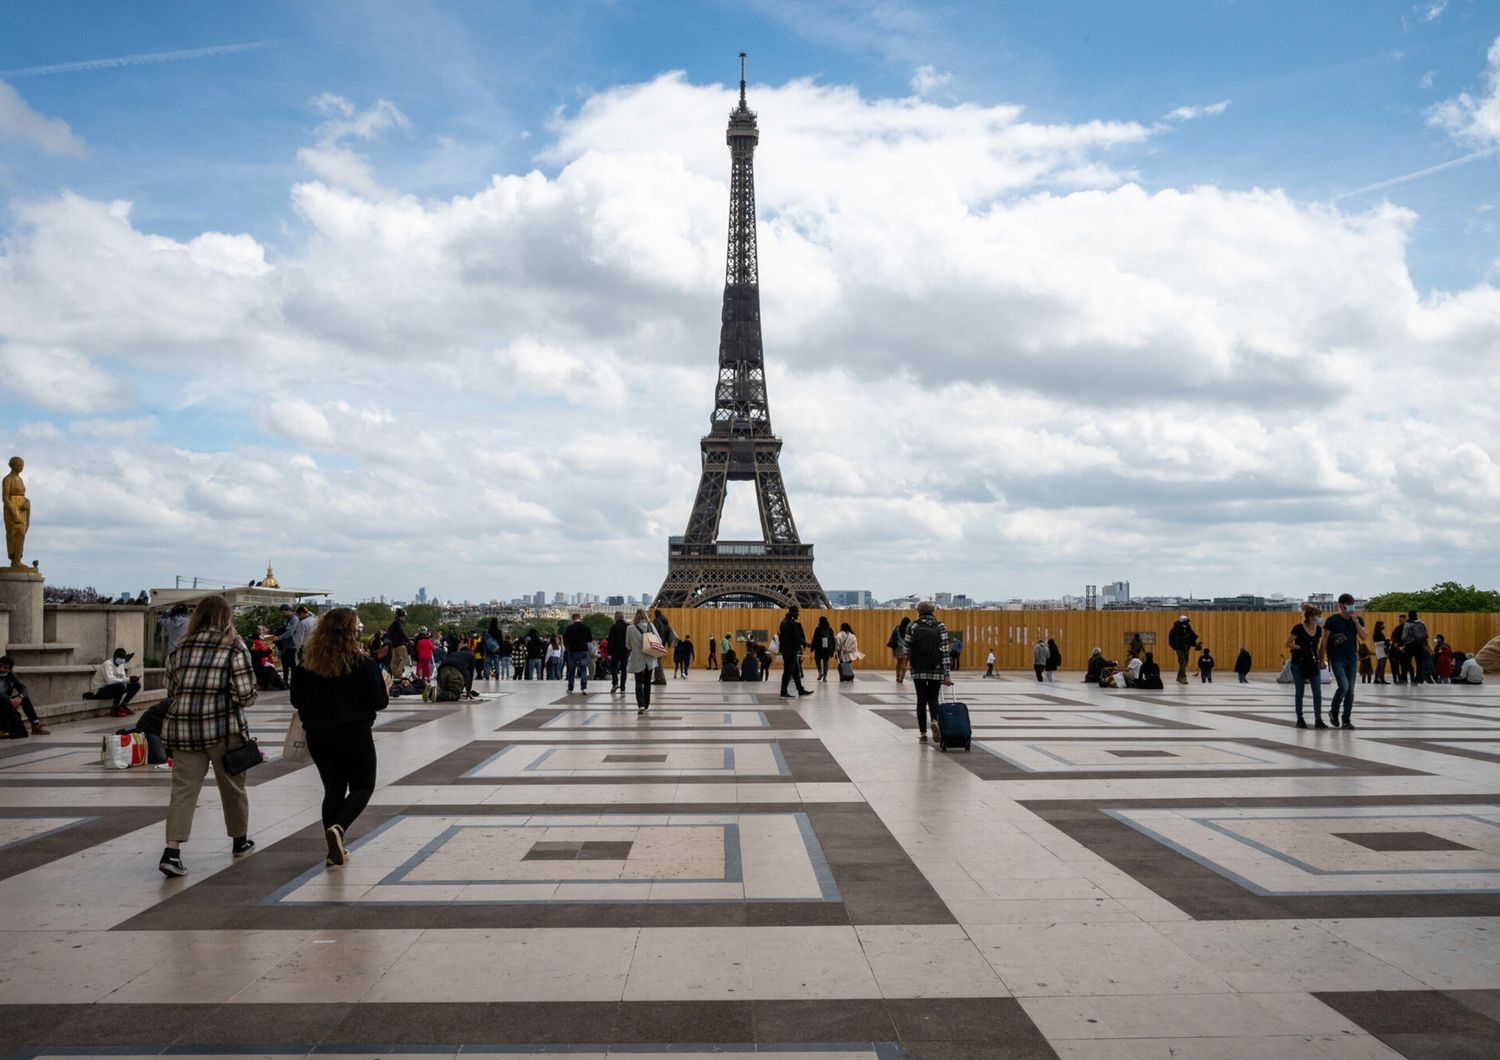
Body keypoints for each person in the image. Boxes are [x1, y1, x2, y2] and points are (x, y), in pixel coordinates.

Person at [159, 594, 257, 877]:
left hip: (183, 729)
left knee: (183, 791)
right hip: (223, 730)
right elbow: (245, 694)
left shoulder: (181, 647)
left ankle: (172, 851)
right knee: (233, 788)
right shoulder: (234, 647)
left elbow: (171, 688)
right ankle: (239, 840)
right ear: (226, 617)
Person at [291, 607, 389, 867]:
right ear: (351, 632)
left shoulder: (306, 665)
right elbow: (379, 702)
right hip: (355, 733)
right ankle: (339, 828)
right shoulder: (363, 664)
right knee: (363, 786)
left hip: (319, 735)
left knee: (333, 789)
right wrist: (385, 686)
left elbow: (296, 700)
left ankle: (333, 849)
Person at [906, 601, 951, 744]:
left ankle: (923, 733)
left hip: (918, 669)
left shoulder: (912, 626)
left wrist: (910, 662)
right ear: (932, 611)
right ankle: (934, 721)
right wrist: (947, 673)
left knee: (921, 699)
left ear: (918, 612)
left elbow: (906, 648)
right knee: (933, 698)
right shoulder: (940, 626)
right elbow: (944, 651)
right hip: (935, 668)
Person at [1322, 594, 1367, 729]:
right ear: (1341, 605)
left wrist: (1356, 622)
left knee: (1350, 691)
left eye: (1352, 603)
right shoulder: (1332, 620)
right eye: (1348, 603)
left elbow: (1364, 637)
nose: (1351, 606)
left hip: (1351, 659)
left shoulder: (1358, 619)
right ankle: (1334, 711)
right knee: (1344, 686)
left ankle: (1346, 720)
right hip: (1336, 658)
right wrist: (1321, 658)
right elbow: (1324, 640)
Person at [1285, 602, 1326, 729]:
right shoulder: (1298, 628)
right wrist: (1301, 647)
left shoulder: (1318, 630)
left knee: (1317, 692)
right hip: (1299, 663)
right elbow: (1288, 643)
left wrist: (1321, 660)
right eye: (1318, 616)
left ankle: (1318, 719)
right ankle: (1300, 718)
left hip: (1313, 663)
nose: (1320, 618)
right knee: (1300, 692)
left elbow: (1317, 646)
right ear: (1310, 617)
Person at [0, 655, 49, 736]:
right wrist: (10, 699)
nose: (1, 669)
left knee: (25, 698)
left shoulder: (11, 676)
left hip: (5, 702)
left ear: (10, 669)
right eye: (0, 666)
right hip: (4, 700)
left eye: (5, 667)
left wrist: (20, 697)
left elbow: (24, 688)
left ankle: (35, 725)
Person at [85, 648, 141, 716]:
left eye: (123, 658)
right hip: (100, 691)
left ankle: (123, 706)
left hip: (113, 689)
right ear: (114, 656)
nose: (122, 660)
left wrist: (132, 680)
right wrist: (128, 679)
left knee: (136, 685)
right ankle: (115, 709)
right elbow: (110, 681)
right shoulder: (107, 664)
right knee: (121, 686)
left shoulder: (121, 665)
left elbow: (123, 679)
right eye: (120, 658)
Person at [626, 608, 659, 713]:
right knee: (647, 682)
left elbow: (628, 645)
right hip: (649, 657)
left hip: (637, 658)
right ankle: (646, 704)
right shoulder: (651, 626)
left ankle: (640, 705)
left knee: (638, 682)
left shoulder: (630, 628)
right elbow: (659, 640)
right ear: (646, 615)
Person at [777, 605, 813, 698]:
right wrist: (806, 644)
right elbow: (796, 637)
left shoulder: (783, 622)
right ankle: (783, 692)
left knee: (795, 671)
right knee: (788, 672)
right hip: (791, 651)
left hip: (786, 650)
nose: (798, 614)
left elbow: (782, 636)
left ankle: (800, 690)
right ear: (792, 612)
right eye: (797, 612)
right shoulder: (791, 623)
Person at [563, 613, 593, 693]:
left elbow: (565, 640)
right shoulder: (586, 628)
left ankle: (570, 688)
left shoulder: (569, 628)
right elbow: (589, 640)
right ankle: (583, 687)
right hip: (583, 650)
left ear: (572, 619)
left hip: (572, 651)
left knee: (571, 670)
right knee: (583, 669)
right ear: (580, 618)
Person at [1168, 615, 1201, 685]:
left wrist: (1196, 644)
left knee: (1185, 663)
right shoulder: (1175, 629)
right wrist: (1188, 635)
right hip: (1179, 648)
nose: (1187, 623)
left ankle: (1179, 676)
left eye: (1187, 622)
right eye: (1186, 622)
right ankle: (1183, 677)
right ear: (1181, 622)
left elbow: (1192, 637)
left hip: (1186, 648)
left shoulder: (1188, 628)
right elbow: (1178, 639)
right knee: (1182, 662)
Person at [1403, 611, 1432, 684]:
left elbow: (1404, 637)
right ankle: (1419, 678)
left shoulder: (1408, 624)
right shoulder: (1422, 623)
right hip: (1419, 644)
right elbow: (1425, 635)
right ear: (1416, 615)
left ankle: (1403, 678)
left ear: (1409, 616)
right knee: (1419, 662)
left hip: (1410, 644)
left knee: (1406, 662)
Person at [275, 604, 299, 685]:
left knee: (292, 664)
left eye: (284, 612)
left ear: (289, 610)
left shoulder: (294, 619)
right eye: (282, 613)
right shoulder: (285, 618)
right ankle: (285, 681)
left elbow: (290, 632)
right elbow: (283, 628)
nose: (283, 614)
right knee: (284, 664)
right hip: (285, 645)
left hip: (292, 645)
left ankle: (294, 681)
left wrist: (279, 637)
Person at [385, 609, 411, 679]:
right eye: (404, 616)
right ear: (402, 616)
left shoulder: (394, 623)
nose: (404, 618)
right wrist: (408, 640)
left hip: (394, 644)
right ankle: (398, 674)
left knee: (394, 660)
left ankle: (394, 674)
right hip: (400, 644)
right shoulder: (398, 623)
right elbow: (402, 632)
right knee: (405, 658)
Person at [652, 610, 676, 687]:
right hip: (663, 643)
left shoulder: (656, 620)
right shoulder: (665, 621)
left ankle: (661, 679)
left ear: (656, 614)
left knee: (657, 661)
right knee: (658, 661)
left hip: (657, 643)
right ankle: (659, 679)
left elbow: (654, 632)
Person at [607, 612, 629, 693]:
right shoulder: (628, 626)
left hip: (615, 651)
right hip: (625, 651)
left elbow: (610, 640)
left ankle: (615, 683)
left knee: (614, 668)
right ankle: (623, 687)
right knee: (624, 669)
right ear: (623, 617)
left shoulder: (613, 627)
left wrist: (609, 653)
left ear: (615, 618)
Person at [811, 617, 836, 682]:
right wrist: (833, 650)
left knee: (817, 660)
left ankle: (820, 672)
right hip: (827, 649)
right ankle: (825, 677)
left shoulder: (817, 629)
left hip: (819, 648)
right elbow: (833, 640)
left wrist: (812, 648)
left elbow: (814, 639)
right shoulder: (830, 629)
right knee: (825, 662)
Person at [888, 616, 911, 684]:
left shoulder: (897, 628)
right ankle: (902, 678)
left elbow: (892, 636)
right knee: (904, 664)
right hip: (906, 648)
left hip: (898, 648)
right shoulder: (909, 629)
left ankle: (897, 677)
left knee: (898, 663)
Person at [1389, 616, 1409, 685]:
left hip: (1404, 648)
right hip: (1397, 648)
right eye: (1399, 620)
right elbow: (1393, 637)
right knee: (1399, 664)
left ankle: (1405, 678)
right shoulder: (1397, 628)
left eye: (1401, 620)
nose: (1400, 622)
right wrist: (1394, 643)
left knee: (1405, 665)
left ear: (1405, 620)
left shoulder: (1407, 628)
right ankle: (1401, 678)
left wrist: (1404, 646)